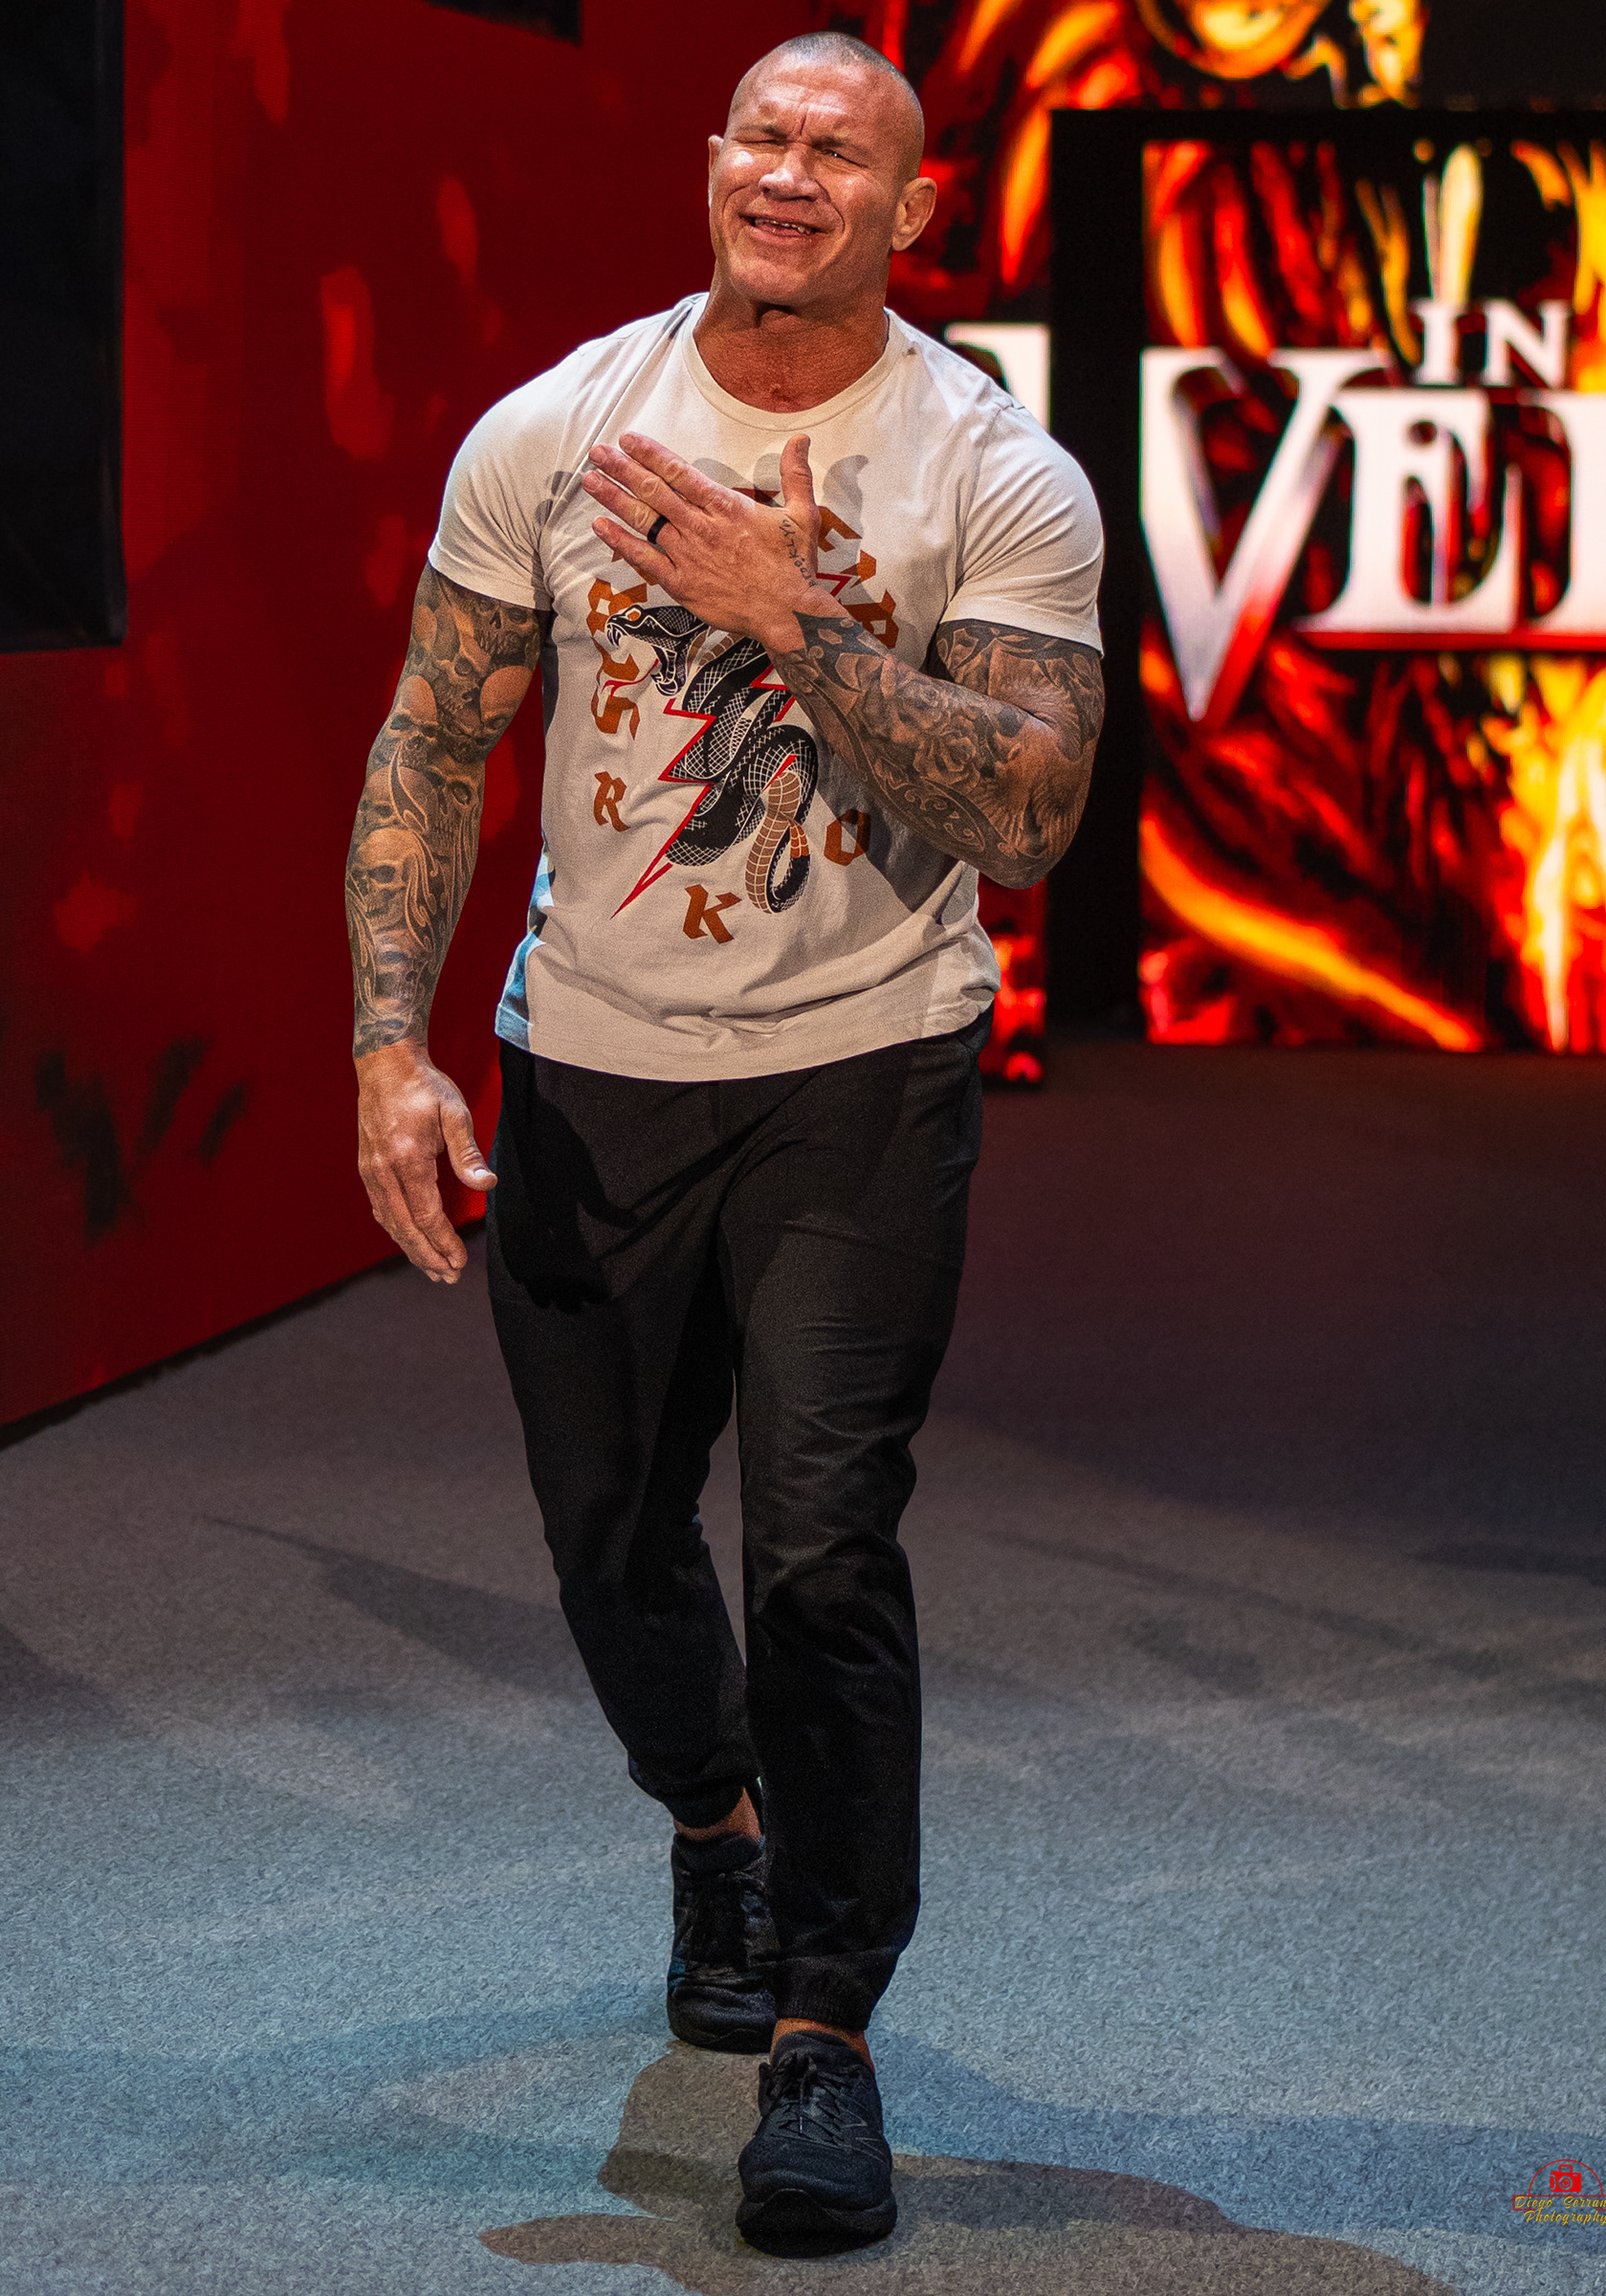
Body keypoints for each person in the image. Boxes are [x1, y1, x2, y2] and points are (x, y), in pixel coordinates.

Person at [344, 30, 1103, 2254]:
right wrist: (390, 1046)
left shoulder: (990, 467)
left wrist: (799, 622)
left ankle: (825, 2036)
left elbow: (1029, 815)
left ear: (910, 209)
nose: (789, 172)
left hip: (867, 1067)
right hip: (592, 1066)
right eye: (761, 137)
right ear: (711, 167)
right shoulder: (554, 431)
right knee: (608, 1534)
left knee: (825, 1546)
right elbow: (431, 744)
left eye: (837, 151)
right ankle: (716, 1823)